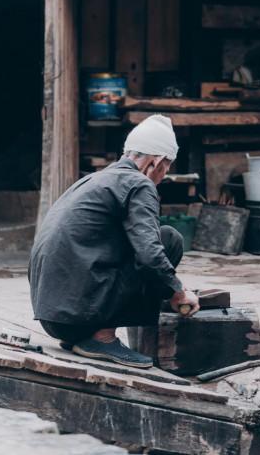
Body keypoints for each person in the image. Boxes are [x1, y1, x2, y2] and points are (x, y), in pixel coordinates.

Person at [29, 114, 199, 367]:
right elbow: (150, 254)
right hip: (77, 315)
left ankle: (85, 336)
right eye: (166, 168)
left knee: (146, 246)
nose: (163, 176)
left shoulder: (96, 179)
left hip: (53, 317)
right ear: (156, 162)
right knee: (169, 239)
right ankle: (103, 336)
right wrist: (178, 292)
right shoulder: (138, 184)